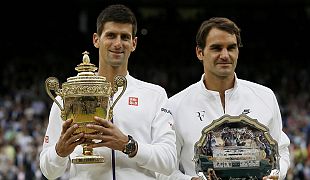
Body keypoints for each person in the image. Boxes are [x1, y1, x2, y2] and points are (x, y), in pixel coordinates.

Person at [40, 4, 176, 180]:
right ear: (96, 40)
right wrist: (60, 151)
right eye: (111, 35)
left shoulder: (155, 95)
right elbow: (48, 171)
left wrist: (128, 145)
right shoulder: (69, 96)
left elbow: (169, 161)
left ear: (133, 44)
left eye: (125, 37)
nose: (118, 43)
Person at [157, 17, 290, 180]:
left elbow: (281, 150)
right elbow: (163, 169)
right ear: (200, 52)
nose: (225, 55)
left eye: (231, 48)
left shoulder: (265, 97)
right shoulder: (175, 106)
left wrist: (276, 174)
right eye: (216, 48)